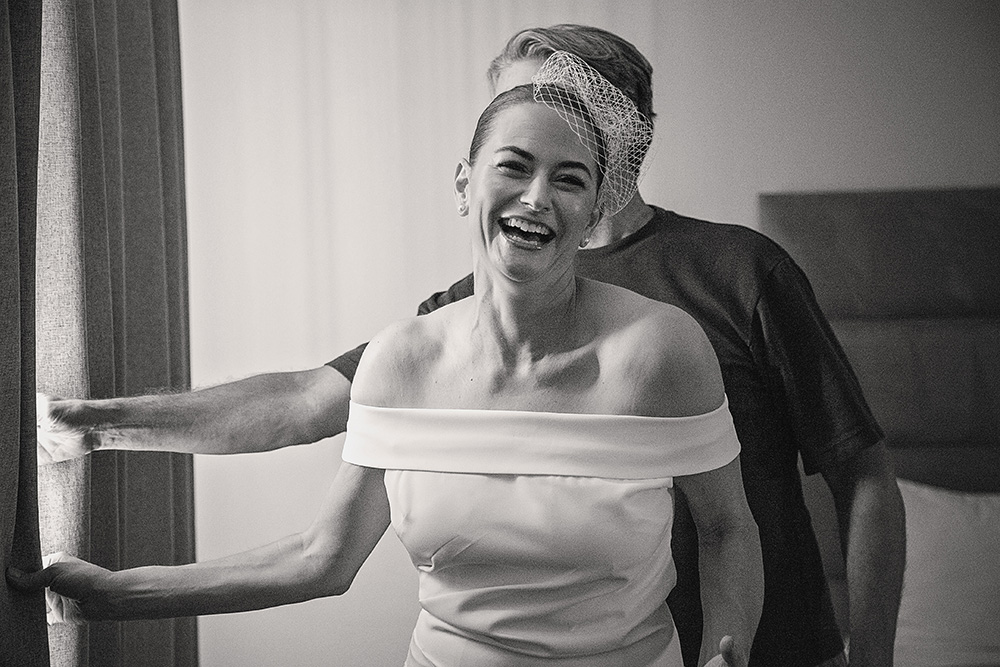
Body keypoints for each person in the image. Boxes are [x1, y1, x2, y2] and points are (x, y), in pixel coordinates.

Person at [32, 24, 904, 667]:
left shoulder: (734, 275)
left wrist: (869, 659)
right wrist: (97, 426)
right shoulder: (447, 322)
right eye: (505, 136)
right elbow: (306, 407)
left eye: (556, 130)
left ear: (609, 141)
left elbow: (856, 474)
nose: (528, 166)